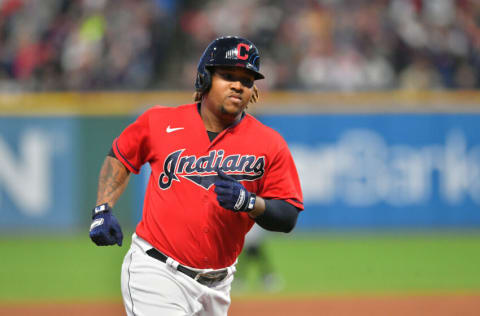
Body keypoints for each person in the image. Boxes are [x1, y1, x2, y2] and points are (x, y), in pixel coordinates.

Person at [88, 36, 304, 316]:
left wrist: (250, 203)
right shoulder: (160, 122)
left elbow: (287, 216)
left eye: (247, 80)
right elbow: (120, 155)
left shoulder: (269, 143)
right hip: (156, 271)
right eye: (227, 75)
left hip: (218, 285)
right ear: (204, 78)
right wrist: (103, 208)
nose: (238, 85)